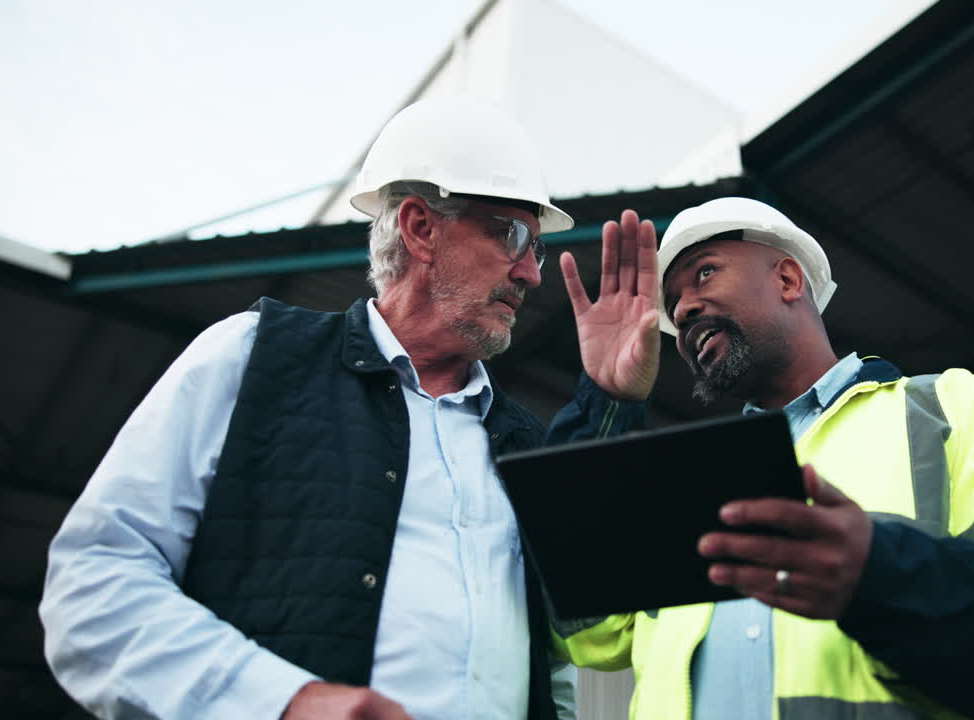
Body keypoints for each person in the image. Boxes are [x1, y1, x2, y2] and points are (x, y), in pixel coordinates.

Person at [39, 96, 661, 720]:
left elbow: (561, 662)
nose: (530, 272)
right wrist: (285, 703)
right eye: (511, 235)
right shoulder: (254, 358)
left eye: (536, 249)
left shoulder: (523, 442)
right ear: (420, 228)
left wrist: (608, 397)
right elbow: (93, 581)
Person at [553, 197, 974, 719]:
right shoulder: (684, 484)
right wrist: (607, 399)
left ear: (787, 278)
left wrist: (882, 576)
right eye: (675, 303)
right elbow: (585, 625)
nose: (682, 311)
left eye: (705, 274)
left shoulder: (943, 408)